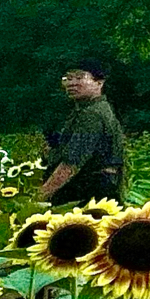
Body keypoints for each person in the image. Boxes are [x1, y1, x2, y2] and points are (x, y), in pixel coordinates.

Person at [41, 64, 128, 207]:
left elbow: (71, 164)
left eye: (80, 77)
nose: (71, 83)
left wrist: (41, 195)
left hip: (89, 192)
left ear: (99, 83)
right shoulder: (85, 111)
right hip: (93, 188)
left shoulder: (92, 114)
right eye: (67, 78)